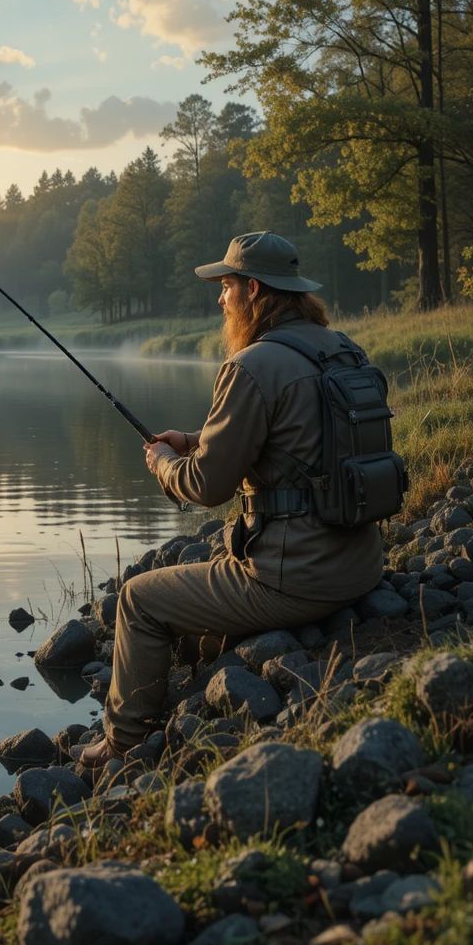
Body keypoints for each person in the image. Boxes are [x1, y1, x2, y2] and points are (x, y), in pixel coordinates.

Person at [75, 232, 384, 769]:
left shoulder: (251, 365)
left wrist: (165, 464)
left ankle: (122, 744)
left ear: (253, 289)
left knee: (138, 599)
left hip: (296, 579)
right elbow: (299, 445)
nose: (220, 299)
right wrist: (195, 441)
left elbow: (207, 488)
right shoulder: (341, 349)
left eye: (226, 286)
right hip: (361, 566)